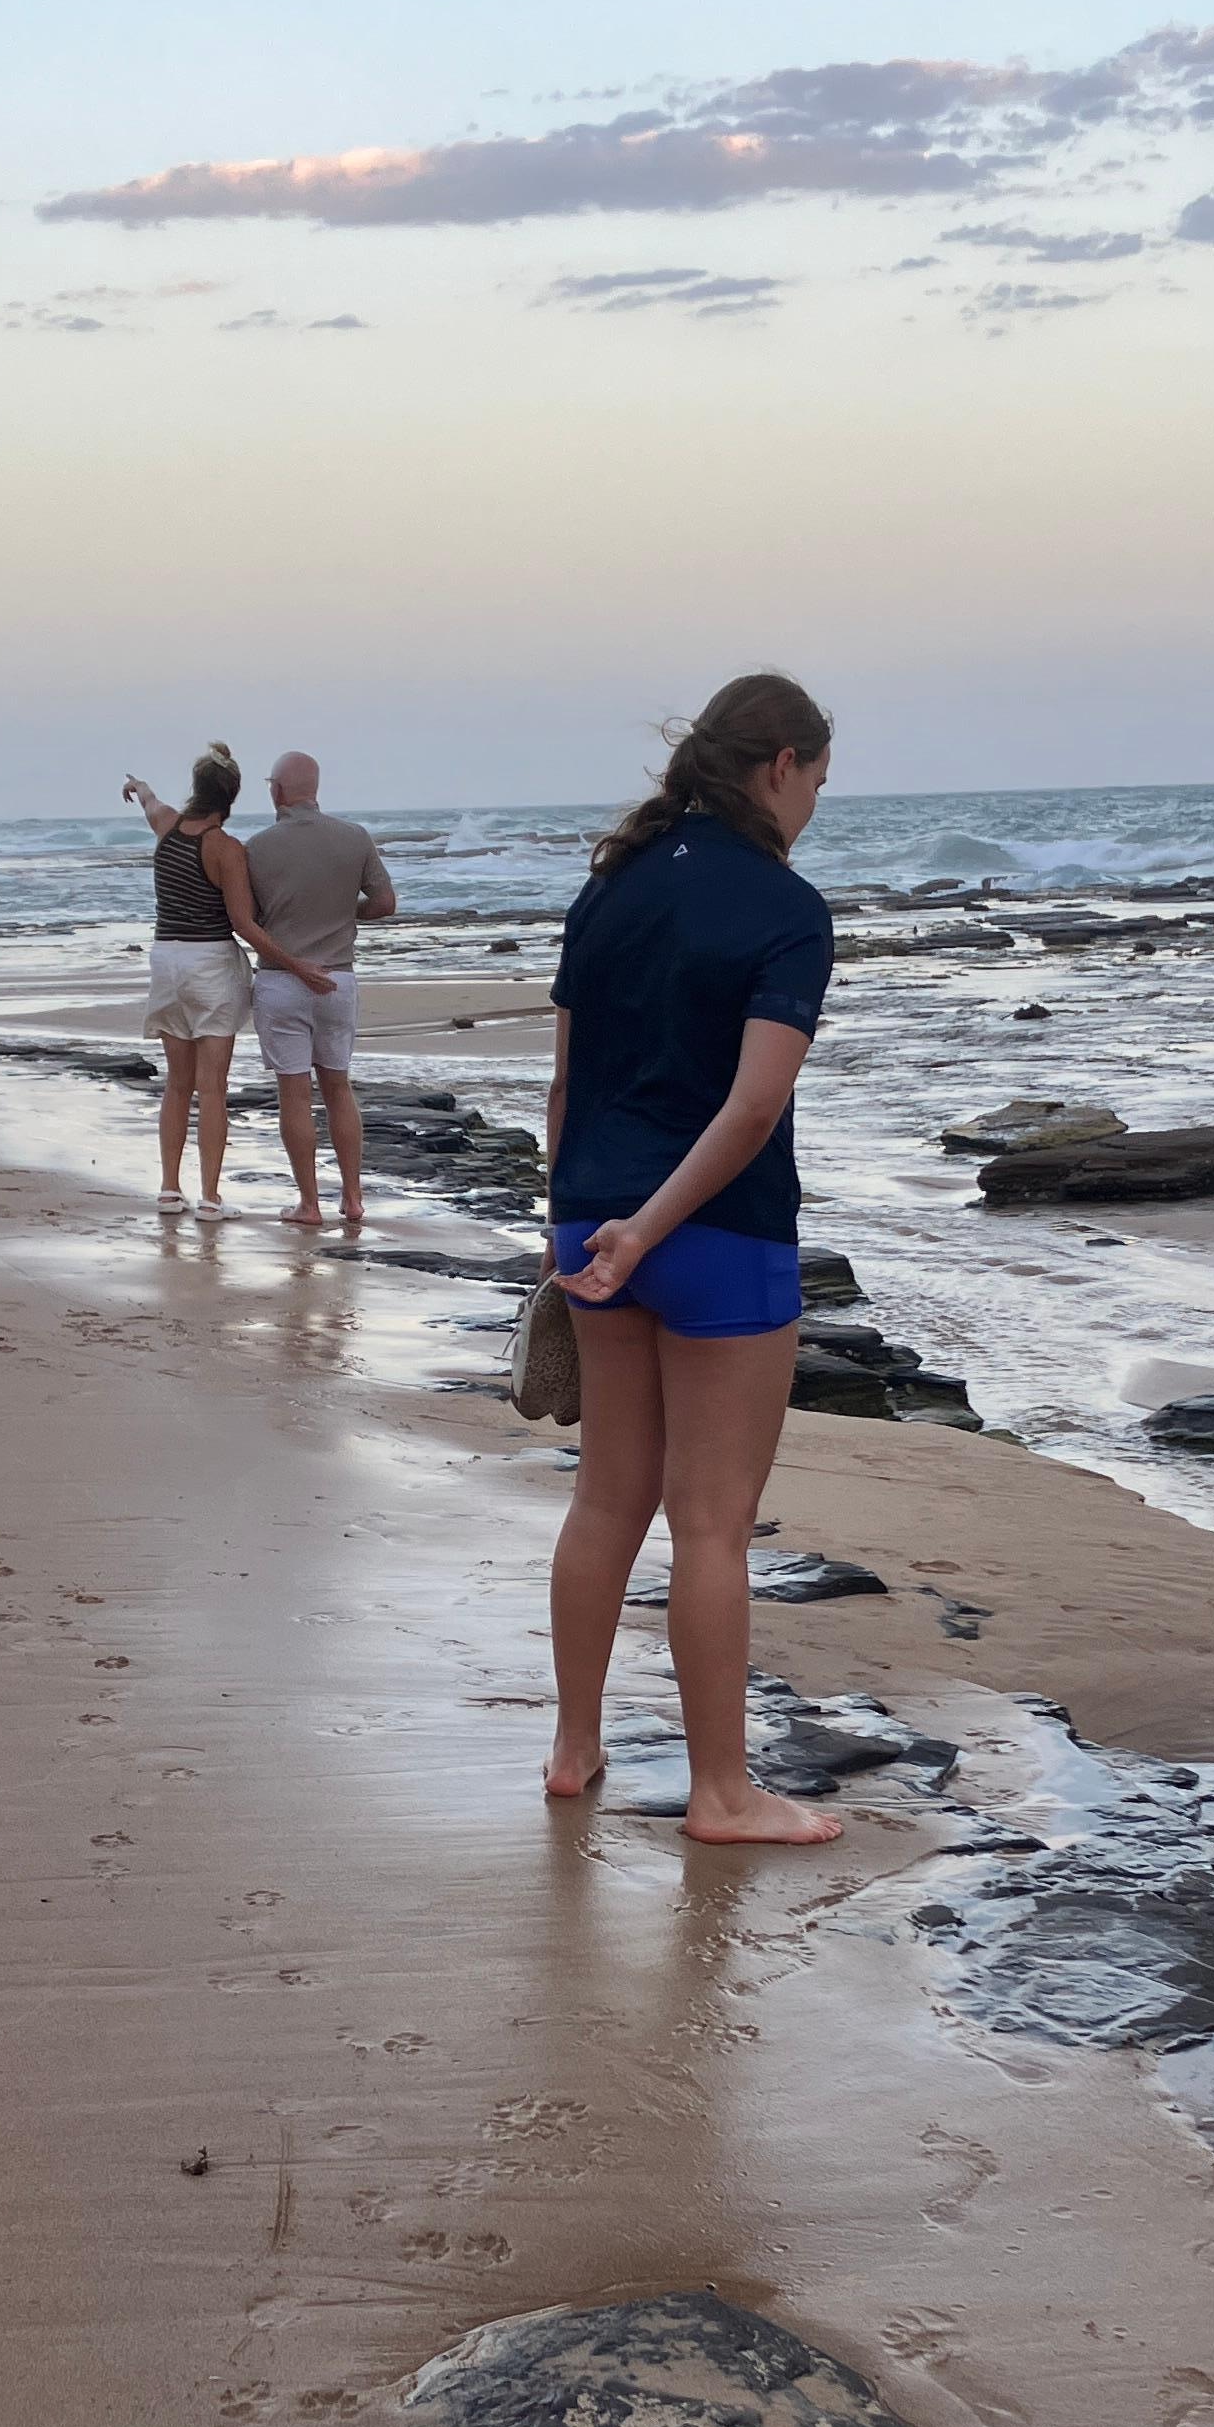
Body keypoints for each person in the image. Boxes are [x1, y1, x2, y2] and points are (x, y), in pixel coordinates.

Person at [542, 672, 842, 1848]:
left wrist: (583, 1228)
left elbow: (566, 1083)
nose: (813, 805)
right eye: (817, 781)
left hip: (593, 1220)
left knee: (606, 1496)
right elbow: (752, 1109)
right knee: (711, 1524)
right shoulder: (786, 908)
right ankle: (722, 1795)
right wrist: (656, 1226)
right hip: (716, 1233)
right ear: (783, 765)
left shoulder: (608, 887)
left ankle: (574, 1747)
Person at [243, 750, 398, 1230]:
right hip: (337, 978)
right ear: (316, 789)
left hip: (281, 980)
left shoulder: (257, 848)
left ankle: (309, 1204)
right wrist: (344, 913)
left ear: (276, 791)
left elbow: (249, 919)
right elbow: (385, 903)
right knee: (338, 1087)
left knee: (294, 1093)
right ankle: (352, 1197)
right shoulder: (354, 837)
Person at [125, 746, 262, 1213]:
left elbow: (150, 802)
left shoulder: (166, 826)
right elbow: (243, 922)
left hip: (166, 961)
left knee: (177, 1084)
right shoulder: (227, 849)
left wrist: (139, 786)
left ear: (196, 789)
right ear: (231, 797)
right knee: (213, 1089)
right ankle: (210, 1196)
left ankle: (169, 1187)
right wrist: (294, 964)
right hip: (210, 964)